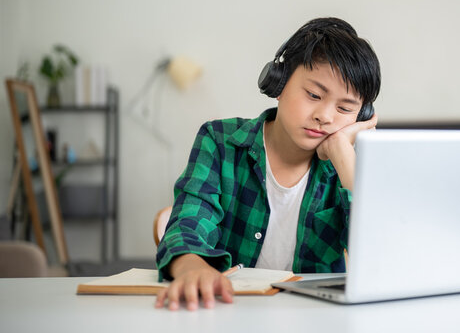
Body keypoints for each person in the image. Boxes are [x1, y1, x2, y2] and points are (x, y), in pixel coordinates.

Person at [155, 17, 381, 311]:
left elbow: (380, 258)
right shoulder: (221, 141)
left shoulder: (349, 167)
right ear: (279, 82)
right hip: (228, 309)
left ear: (360, 117)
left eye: (344, 108)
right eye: (313, 95)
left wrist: (341, 152)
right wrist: (192, 269)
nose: (325, 116)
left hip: (316, 319)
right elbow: (187, 224)